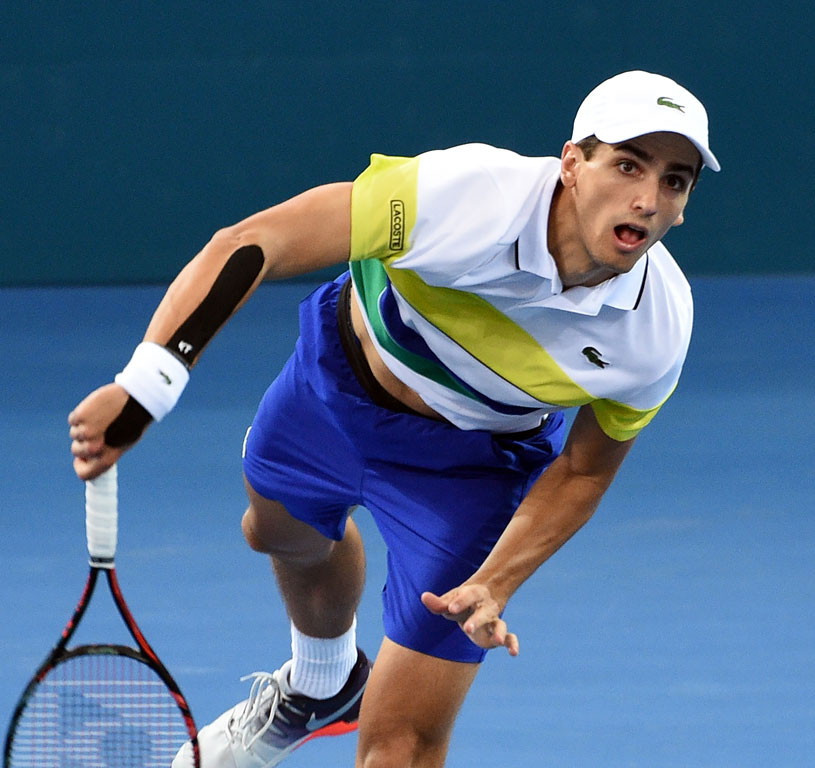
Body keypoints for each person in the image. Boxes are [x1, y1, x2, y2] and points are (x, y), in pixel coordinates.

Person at [67, 70, 720, 768]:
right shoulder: (463, 197)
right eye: (627, 165)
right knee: (276, 533)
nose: (648, 199)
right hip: (333, 391)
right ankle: (324, 684)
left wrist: (495, 582)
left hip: (474, 470)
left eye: (675, 181)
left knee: (401, 749)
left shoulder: (656, 328)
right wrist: (148, 384)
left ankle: (342, 690)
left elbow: (585, 471)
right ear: (571, 164)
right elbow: (260, 241)